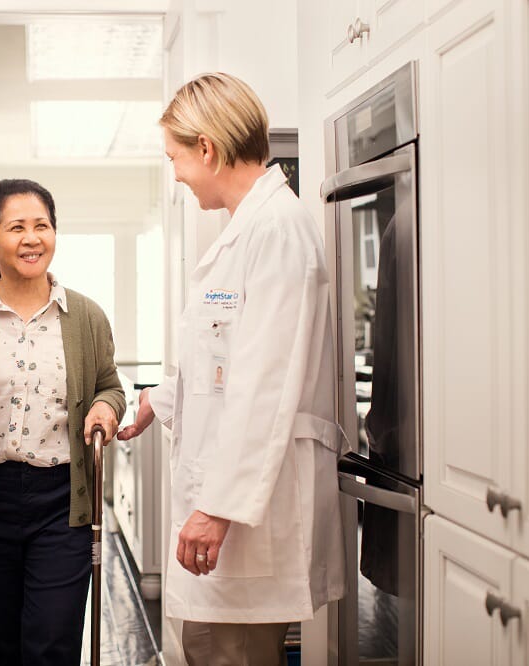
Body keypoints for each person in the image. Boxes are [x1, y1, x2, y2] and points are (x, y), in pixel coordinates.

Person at [117, 72, 347, 666]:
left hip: (248, 512)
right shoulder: (248, 231)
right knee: (206, 649)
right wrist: (159, 401)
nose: (176, 174)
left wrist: (216, 507)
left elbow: (265, 386)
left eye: (176, 158)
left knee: (234, 655)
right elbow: (223, 362)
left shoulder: (277, 231)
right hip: (229, 497)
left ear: (208, 149)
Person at [0, 178, 125, 665]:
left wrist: (106, 407)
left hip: (63, 502)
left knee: (52, 645)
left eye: (42, 225)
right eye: (16, 227)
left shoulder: (85, 316)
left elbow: (110, 385)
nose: (31, 238)